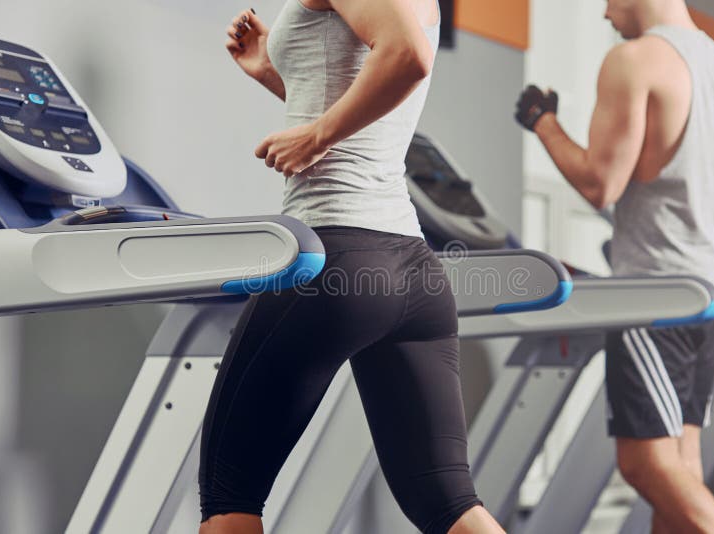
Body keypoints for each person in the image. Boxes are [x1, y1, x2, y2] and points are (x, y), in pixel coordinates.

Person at [198, 1, 506, 533]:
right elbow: (359, 94)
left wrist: (315, 136)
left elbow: (407, 57)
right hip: (412, 269)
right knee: (448, 503)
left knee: (231, 495)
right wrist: (277, 71)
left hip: (335, 256)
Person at [515, 0, 714, 532]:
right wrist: (696, 196)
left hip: (659, 291)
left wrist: (544, 123)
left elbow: (601, 184)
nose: (603, 14)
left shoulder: (636, 61)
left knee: (643, 463)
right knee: (681, 464)